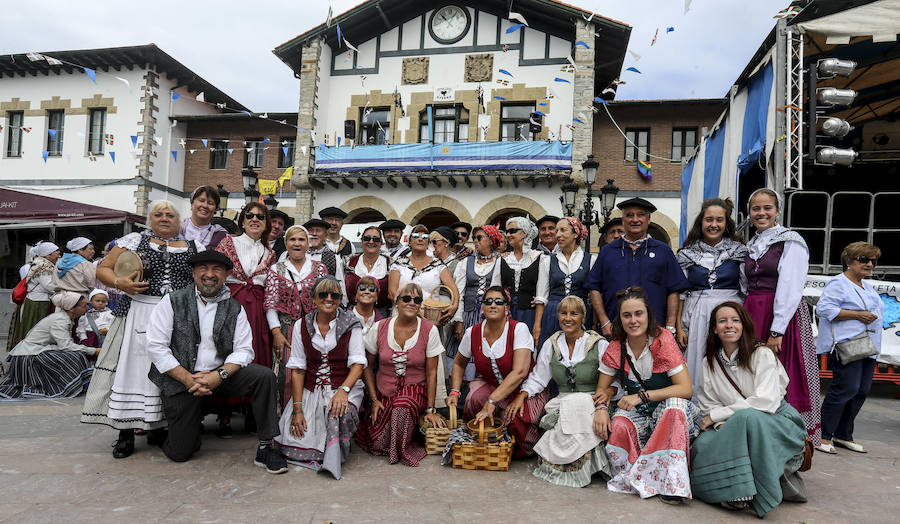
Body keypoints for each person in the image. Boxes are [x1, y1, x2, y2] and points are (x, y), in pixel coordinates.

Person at [144, 250, 288, 473]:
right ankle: (175, 430)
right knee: (181, 452)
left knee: (264, 376)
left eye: (217, 269)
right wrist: (188, 378)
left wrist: (217, 375)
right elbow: (156, 346)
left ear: (226, 275)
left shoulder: (234, 307)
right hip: (183, 378)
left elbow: (243, 350)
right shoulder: (172, 301)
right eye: (204, 268)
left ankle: (267, 446)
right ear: (193, 273)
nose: (209, 274)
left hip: (221, 376)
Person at [81, 200, 199, 457]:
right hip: (139, 310)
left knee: (167, 369)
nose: (164, 218)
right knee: (132, 369)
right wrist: (120, 283)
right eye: (158, 214)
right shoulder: (135, 240)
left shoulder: (192, 246)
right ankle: (125, 434)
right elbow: (104, 269)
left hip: (177, 314)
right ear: (149, 219)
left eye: (170, 215)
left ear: (179, 221)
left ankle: (158, 427)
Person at [692, 302, 808, 517]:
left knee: (747, 418)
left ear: (744, 325)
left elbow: (766, 400)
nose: (729, 325)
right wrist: (721, 422)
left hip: (776, 420)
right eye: (723, 321)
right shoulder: (709, 362)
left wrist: (719, 416)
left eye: (735, 320)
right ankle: (718, 491)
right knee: (702, 444)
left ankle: (744, 493)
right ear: (715, 329)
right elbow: (708, 403)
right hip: (731, 423)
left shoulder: (762, 354)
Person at [593, 287, 698, 504]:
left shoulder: (663, 339)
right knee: (620, 421)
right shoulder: (615, 346)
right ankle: (638, 476)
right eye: (627, 315)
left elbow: (686, 389)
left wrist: (641, 396)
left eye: (638, 314)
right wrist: (601, 410)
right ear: (619, 318)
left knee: (674, 408)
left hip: (667, 410)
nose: (633, 320)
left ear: (648, 315)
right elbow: (601, 390)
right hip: (641, 414)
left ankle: (672, 484)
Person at [743, 188, 820, 446]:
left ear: (777, 211)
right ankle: (757, 431)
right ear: (749, 212)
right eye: (756, 208)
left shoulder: (791, 241)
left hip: (781, 315)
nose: (761, 213)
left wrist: (777, 330)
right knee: (753, 371)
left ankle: (789, 437)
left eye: (767, 208)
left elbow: (790, 286)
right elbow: (745, 284)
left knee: (784, 373)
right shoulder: (752, 244)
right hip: (753, 313)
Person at [274, 277, 365, 479]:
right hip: (311, 388)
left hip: (345, 385)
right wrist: (297, 408)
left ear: (341, 299)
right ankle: (319, 453)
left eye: (335, 295)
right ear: (314, 299)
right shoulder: (301, 326)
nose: (329, 299)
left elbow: (358, 364)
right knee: (296, 432)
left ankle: (332, 461)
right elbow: (298, 369)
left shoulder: (351, 324)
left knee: (337, 412)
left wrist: (343, 391)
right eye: (323, 294)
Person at [447, 286, 548, 458]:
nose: (493, 305)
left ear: (507, 308)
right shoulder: (473, 332)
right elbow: (458, 364)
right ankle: (482, 438)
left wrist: (492, 401)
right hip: (493, 384)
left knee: (515, 422)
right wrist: (455, 391)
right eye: (488, 301)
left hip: (523, 387)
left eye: (499, 302)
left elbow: (520, 372)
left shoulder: (519, 329)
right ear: (483, 307)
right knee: (474, 398)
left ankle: (507, 442)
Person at [522, 296, 613, 487]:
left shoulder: (599, 344)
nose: (568, 318)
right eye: (563, 313)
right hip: (562, 402)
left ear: (583, 317)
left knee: (580, 405)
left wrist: (608, 393)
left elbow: (615, 381)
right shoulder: (551, 344)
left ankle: (584, 469)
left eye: (574, 313)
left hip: (590, 400)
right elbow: (539, 378)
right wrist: (522, 395)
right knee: (568, 409)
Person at [356, 283, 445, 466]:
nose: (412, 303)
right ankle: (408, 436)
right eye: (406, 298)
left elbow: (432, 372)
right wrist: (373, 400)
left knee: (401, 407)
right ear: (397, 302)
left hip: (415, 390)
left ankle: (402, 450)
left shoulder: (429, 330)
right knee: (376, 440)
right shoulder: (380, 327)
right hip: (385, 390)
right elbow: (367, 366)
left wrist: (430, 409)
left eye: (417, 300)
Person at [215, 202, 277, 435]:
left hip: (258, 307)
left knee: (257, 354)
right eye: (249, 216)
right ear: (242, 220)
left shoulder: (269, 253)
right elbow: (217, 273)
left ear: (265, 224)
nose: (254, 220)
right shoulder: (228, 243)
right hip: (230, 304)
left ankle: (252, 411)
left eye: (260, 217)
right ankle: (225, 413)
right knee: (227, 352)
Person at [675, 198, 747, 399]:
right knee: (698, 359)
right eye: (709, 219)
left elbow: (746, 287)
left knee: (729, 358)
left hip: (731, 311)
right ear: (701, 222)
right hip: (698, 313)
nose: (714, 225)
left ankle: (730, 404)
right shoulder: (687, 254)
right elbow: (680, 293)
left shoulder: (739, 251)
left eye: (719, 220)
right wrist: (679, 327)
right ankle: (699, 408)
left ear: (726, 223)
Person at [815, 242, 883, 455]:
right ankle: (823, 435)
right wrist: (857, 315)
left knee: (861, 391)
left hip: (868, 346)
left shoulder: (867, 286)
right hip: (847, 343)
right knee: (845, 388)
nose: (869, 264)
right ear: (850, 261)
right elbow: (824, 309)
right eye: (864, 259)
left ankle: (843, 434)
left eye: (873, 260)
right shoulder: (838, 283)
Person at [587, 198, 689, 338]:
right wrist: (604, 323)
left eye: (640, 215)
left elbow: (674, 290)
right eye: (629, 215)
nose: (635, 219)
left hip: (655, 330)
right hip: (615, 330)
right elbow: (594, 288)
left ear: (648, 219)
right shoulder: (607, 251)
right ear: (623, 220)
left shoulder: (662, 250)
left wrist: (670, 328)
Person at [265, 225, 328, 410]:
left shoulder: (319, 268)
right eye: (292, 240)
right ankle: (286, 416)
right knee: (286, 374)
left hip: (313, 328)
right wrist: (276, 332)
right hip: (286, 329)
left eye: (301, 239)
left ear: (308, 243)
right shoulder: (276, 269)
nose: (297, 243)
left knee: (314, 371)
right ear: (286, 244)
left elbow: (326, 301)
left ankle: (311, 415)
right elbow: (270, 304)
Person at [0, 292, 97, 399]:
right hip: (28, 355)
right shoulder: (60, 320)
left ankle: (65, 384)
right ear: (72, 309)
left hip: (35, 351)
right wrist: (94, 350)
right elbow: (66, 346)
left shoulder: (64, 318)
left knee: (76, 354)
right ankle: (64, 386)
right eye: (84, 306)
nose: (87, 308)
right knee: (74, 357)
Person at [447, 225, 502, 382]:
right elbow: (459, 293)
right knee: (463, 353)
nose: (475, 242)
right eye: (475, 238)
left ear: (491, 241)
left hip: (490, 318)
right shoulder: (465, 262)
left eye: (479, 238)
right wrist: (458, 320)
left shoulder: (500, 262)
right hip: (467, 316)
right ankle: (460, 399)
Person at [534, 217, 594, 348]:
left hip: (581, 314)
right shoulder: (547, 261)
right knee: (552, 353)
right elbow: (541, 297)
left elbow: (594, 295)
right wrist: (537, 327)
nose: (558, 235)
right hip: (553, 313)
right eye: (557, 231)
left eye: (563, 230)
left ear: (575, 234)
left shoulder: (591, 260)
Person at [388, 224, 458, 320]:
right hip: (402, 316)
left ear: (428, 242)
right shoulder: (398, 264)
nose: (420, 239)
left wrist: (454, 306)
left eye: (425, 237)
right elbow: (392, 293)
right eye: (416, 236)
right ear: (410, 241)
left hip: (430, 318)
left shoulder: (438, 265)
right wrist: (413, 310)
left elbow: (453, 289)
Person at [7, 241, 60, 350]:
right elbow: (49, 286)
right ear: (48, 254)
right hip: (38, 303)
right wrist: (64, 286)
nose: (59, 255)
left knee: (30, 327)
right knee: (35, 328)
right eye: (56, 252)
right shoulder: (44, 266)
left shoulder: (39, 263)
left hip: (36, 300)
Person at [500, 217, 542, 332]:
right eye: (506, 232)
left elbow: (543, 290)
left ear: (524, 233)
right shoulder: (503, 259)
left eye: (512, 231)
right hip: (506, 313)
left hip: (529, 313)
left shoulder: (539, 257)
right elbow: (496, 288)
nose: (508, 235)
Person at [344, 226, 391, 317]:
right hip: (352, 314)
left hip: (382, 314)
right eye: (367, 238)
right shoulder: (348, 261)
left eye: (376, 239)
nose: (371, 242)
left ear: (381, 243)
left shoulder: (390, 263)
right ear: (361, 241)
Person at [180, 185, 228, 250]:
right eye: (201, 201)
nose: (205, 205)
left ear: (215, 209)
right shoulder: (177, 228)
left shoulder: (219, 234)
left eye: (210, 203)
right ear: (192, 202)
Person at [303, 218, 345, 287]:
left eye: (318, 231)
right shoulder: (292, 255)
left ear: (325, 236)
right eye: (310, 231)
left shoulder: (334, 259)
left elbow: (340, 286)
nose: (314, 234)